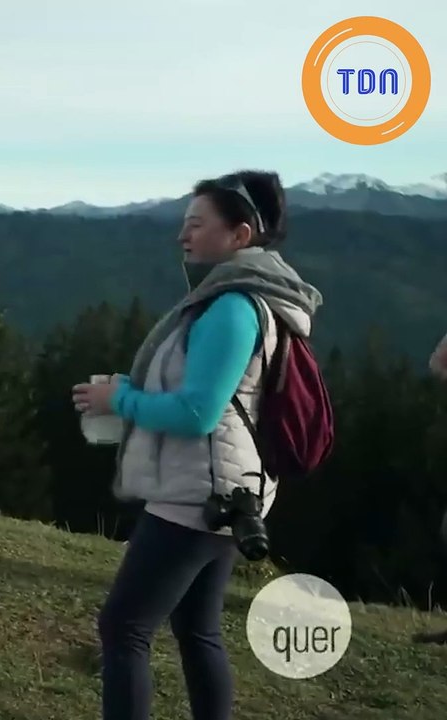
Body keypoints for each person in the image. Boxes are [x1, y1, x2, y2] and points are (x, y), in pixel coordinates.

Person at [70, 170, 323, 720]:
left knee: (125, 627)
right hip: (226, 490)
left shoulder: (233, 308)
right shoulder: (247, 299)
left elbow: (196, 412)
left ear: (240, 235)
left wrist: (122, 402)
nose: (183, 235)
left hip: (198, 495)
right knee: (195, 627)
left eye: (196, 223)